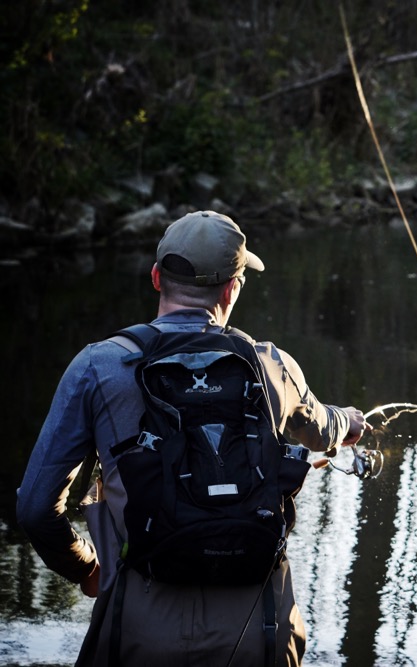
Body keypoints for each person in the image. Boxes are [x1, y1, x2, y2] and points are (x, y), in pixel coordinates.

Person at [16, 210, 368, 666]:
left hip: (139, 623)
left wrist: (87, 569)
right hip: (258, 629)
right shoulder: (273, 366)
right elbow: (322, 431)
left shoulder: (97, 368)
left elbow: (35, 508)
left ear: (157, 276)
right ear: (231, 288)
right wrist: (351, 422)